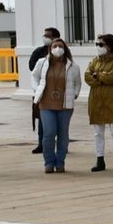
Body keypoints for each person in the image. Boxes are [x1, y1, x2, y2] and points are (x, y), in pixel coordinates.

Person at [31, 37, 81, 173]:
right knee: (49, 132)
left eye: (60, 46)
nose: (57, 49)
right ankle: (49, 161)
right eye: (54, 46)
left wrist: (75, 93)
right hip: (46, 103)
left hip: (65, 105)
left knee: (63, 134)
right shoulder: (42, 63)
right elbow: (34, 76)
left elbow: (77, 82)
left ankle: (60, 161)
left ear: (65, 49)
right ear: (50, 49)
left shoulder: (72, 66)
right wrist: (36, 89)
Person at [85, 33, 113, 172]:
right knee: (98, 132)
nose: (98, 47)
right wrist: (100, 77)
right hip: (97, 99)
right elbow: (87, 76)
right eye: (97, 44)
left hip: (112, 100)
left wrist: (98, 75)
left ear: (109, 46)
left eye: (101, 44)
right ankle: (99, 159)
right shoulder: (94, 61)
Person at [28, 26, 59, 153]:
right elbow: (32, 67)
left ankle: (61, 143)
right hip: (42, 90)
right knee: (42, 118)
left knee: (59, 119)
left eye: (48, 36)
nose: (45, 38)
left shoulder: (61, 51)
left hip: (57, 90)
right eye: (44, 35)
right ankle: (41, 143)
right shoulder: (39, 52)